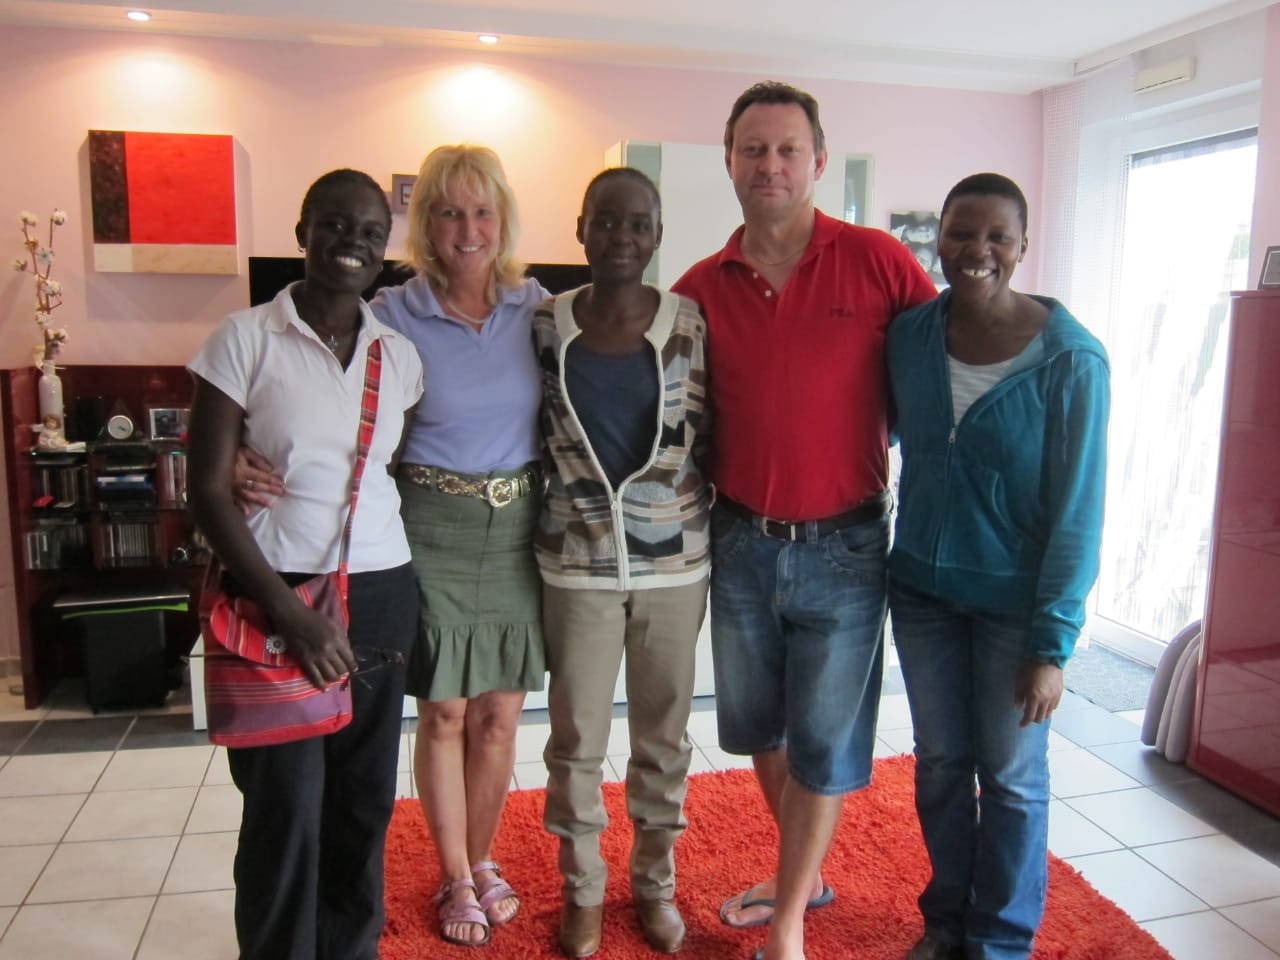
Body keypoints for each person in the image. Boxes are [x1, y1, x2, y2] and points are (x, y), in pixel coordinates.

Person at [234, 145, 547, 948]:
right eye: (448, 212)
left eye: (482, 212)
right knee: (443, 710)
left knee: (499, 715)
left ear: (503, 219)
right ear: (424, 227)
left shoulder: (538, 307)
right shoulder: (391, 312)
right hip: (426, 524)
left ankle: (482, 858)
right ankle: (453, 875)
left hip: (516, 527)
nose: (467, 229)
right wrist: (232, 450)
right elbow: (302, 389)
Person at [672, 82, 937, 960]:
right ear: (729, 161)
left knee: (824, 741)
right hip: (739, 540)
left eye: (788, 149)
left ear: (819, 161)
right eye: (753, 149)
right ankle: (806, 878)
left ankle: (788, 922)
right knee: (759, 728)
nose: (771, 165)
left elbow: (940, 374)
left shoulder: (880, 262)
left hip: (848, 546)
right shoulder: (698, 288)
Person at [186, 168, 423, 960]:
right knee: (284, 808)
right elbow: (206, 493)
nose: (352, 243)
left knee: (363, 802)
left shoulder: (399, 355)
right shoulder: (243, 339)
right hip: (275, 592)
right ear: (302, 232)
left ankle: (350, 948)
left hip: (382, 592)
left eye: (370, 232)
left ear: (385, 251)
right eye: (334, 224)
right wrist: (289, 614)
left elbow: (391, 473)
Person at [886, 173, 1110, 960]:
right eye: (961, 233)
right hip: (922, 594)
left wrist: (1053, 646)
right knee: (942, 764)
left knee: (1011, 777)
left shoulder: (1072, 360)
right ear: (938, 238)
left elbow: (1079, 513)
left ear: (1022, 246)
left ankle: (1000, 941)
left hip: (1016, 607)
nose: (976, 250)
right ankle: (946, 921)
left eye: (996, 237)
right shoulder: (911, 336)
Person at [533, 167, 710, 958]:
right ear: (581, 229)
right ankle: (581, 892)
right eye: (606, 221)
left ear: (658, 234)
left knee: (663, 738)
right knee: (575, 739)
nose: (621, 238)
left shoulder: (689, 323)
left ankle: (654, 885)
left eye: (638, 224)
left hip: (675, 565)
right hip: (576, 564)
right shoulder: (544, 323)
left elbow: (715, 431)